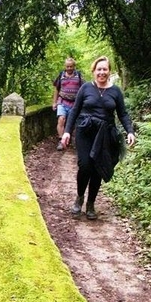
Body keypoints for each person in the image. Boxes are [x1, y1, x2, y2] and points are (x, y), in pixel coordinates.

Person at [61, 56, 135, 220]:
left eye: (105, 69)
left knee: (97, 167)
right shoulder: (86, 88)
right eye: (99, 69)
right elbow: (74, 111)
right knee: (85, 165)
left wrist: (130, 131)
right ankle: (80, 197)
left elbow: (122, 114)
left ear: (109, 71)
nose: (102, 72)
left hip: (105, 134)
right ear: (93, 71)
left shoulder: (115, 91)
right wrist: (67, 131)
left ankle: (91, 203)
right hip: (85, 131)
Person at [52, 57, 84, 150]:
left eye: (71, 66)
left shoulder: (78, 76)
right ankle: (61, 141)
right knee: (61, 119)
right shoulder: (61, 75)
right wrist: (54, 102)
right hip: (62, 101)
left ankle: (69, 139)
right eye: (67, 66)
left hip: (75, 103)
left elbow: (83, 89)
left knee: (72, 122)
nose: (69, 68)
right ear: (65, 66)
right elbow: (56, 89)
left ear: (74, 66)